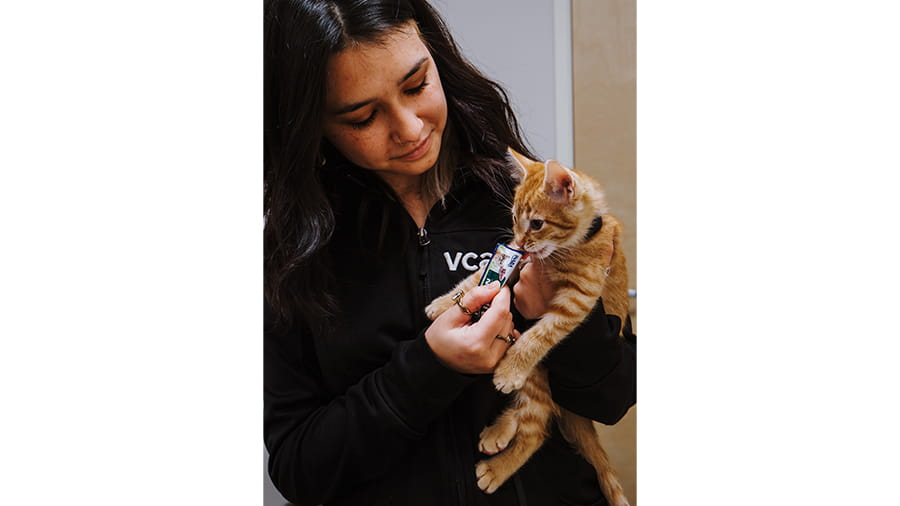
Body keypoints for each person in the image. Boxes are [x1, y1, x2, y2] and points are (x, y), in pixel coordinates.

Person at [263, 1, 636, 505]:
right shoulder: (297, 253)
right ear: (312, 123)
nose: (411, 129)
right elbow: (300, 470)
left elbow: (613, 396)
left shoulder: (515, 193)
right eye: (363, 116)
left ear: (436, 57)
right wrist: (430, 367)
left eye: (417, 85)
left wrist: (566, 314)